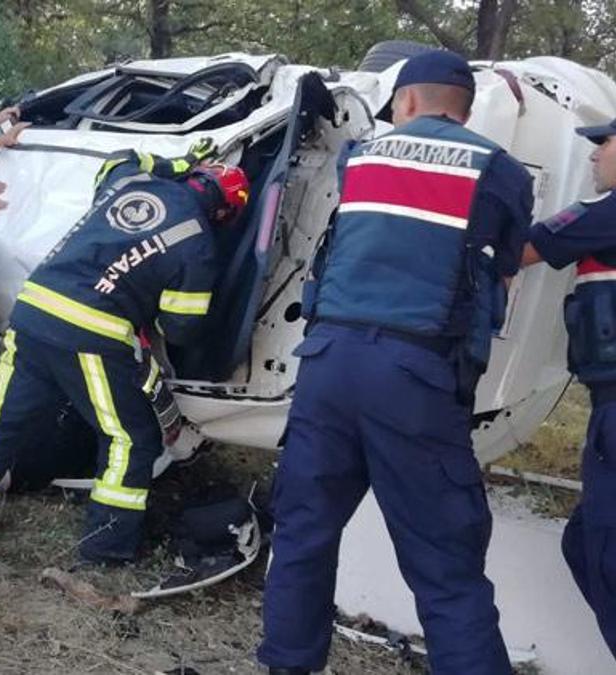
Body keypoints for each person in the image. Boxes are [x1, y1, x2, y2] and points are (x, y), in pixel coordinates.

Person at [257, 51, 534, 675]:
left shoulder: (362, 157)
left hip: (327, 363)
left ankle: (287, 666)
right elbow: (505, 268)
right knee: (445, 565)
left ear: (406, 102)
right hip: (417, 375)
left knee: (303, 534)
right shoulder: (502, 172)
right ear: (464, 108)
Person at [0, 138, 251, 564]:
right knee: (129, 438)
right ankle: (106, 550)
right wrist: (143, 304)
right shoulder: (198, 241)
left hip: (33, 311)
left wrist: (178, 160)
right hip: (91, 334)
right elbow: (182, 327)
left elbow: (121, 156)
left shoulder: (126, 182)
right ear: (224, 211)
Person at [521, 117, 616, 658]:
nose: (593, 156)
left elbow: (524, 249)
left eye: (603, 144)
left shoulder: (607, 215)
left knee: (602, 554)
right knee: (584, 543)